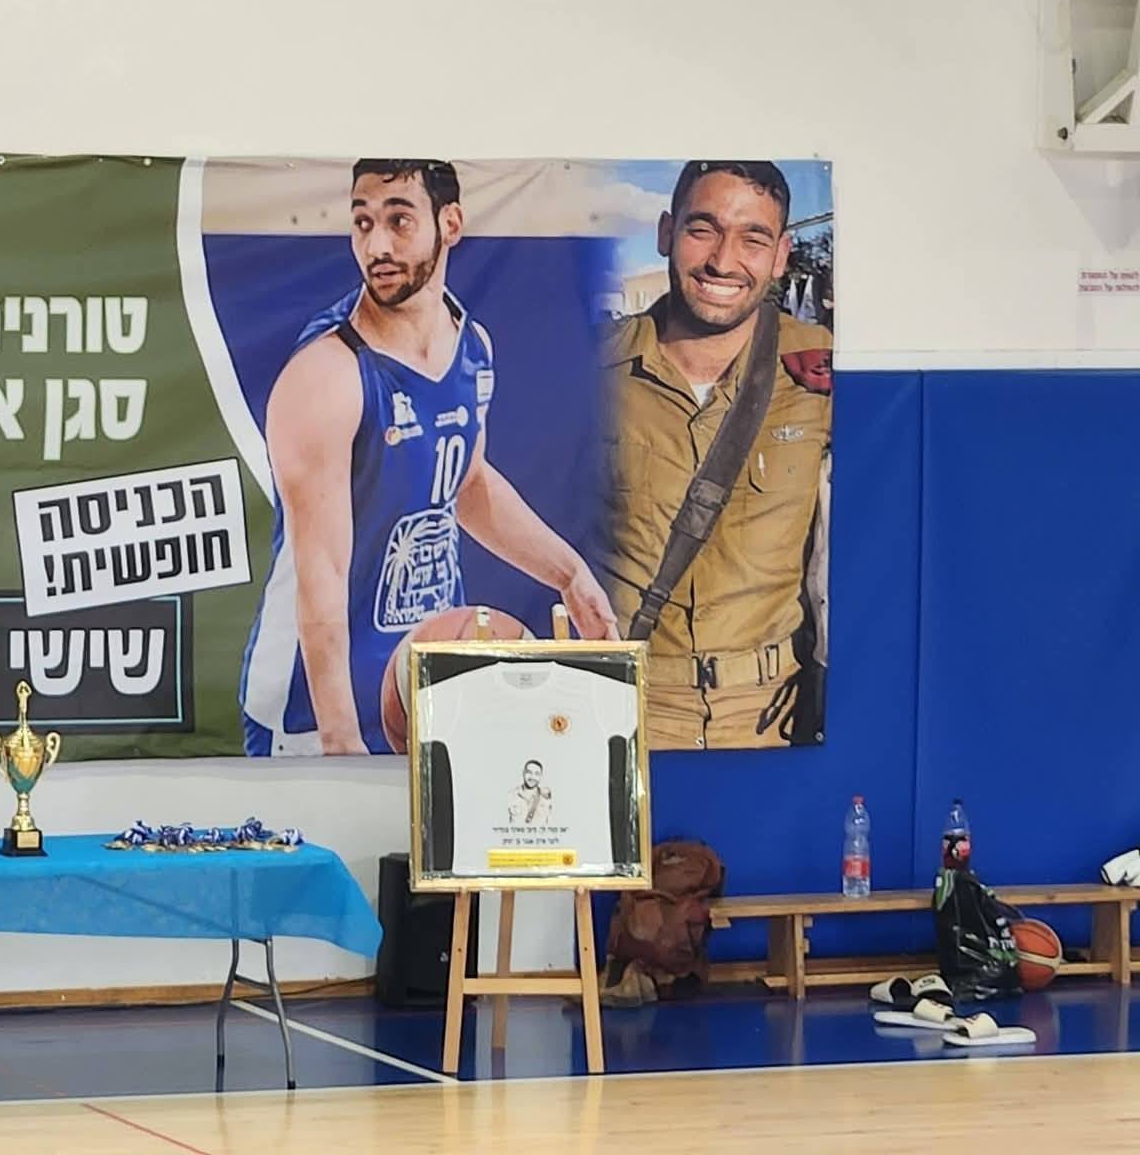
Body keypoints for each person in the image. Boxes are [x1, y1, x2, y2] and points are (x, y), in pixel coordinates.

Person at [240, 159, 617, 756]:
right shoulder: (326, 375)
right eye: (363, 223)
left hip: (427, 685)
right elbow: (322, 573)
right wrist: (339, 736)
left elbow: (466, 484)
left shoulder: (472, 346)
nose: (377, 246)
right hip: (315, 709)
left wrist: (569, 575)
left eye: (399, 221)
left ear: (450, 224)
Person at [600, 160, 831, 751]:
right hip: (623, 709)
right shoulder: (586, 372)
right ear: (666, 232)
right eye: (703, 230)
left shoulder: (826, 374)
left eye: (753, 239)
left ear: (780, 256)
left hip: (772, 719)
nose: (724, 262)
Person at [508, 759, 552, 826]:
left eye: (537, 774)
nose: (532, 777)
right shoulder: (511, 795)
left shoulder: (547, 798)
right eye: (529, 772)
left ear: (541, 776)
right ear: (523, 773)